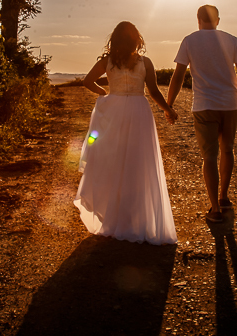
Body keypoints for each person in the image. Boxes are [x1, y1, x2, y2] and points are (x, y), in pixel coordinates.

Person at [74, 21, 179, 245]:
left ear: (115, 40)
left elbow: (87, 81)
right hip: (139, 111)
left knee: (112, 160)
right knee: (138, 162)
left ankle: (113, 216)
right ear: (136, 40)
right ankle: (136, 218)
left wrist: (104, 93)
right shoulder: (145, 62)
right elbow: (152, 91)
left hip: (114, 110)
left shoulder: (107, 61)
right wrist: (167, 109)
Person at [166, 5, 237, 223]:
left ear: (198, 20)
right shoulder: (232, 40)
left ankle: (215, 209)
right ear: (217, 20)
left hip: (204, 105)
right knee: (227, 150)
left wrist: (169, 105)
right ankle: (224, 196)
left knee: (209, 155)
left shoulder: (189, 40)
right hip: (230, 104)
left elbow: (178, 75)